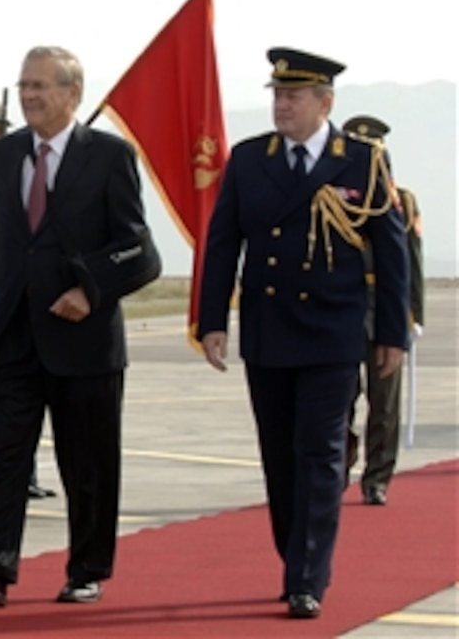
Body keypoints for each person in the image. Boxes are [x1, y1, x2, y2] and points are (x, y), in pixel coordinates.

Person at [198, 49, 409, 619]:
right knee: (280, 455)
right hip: (268, 332)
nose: (281, 105)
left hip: (333, 333)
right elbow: (222, 245)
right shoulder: (248, 160)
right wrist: (211, 320)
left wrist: (393, 332)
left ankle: (307, 574)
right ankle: (297, 555)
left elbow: (391, 254)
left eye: (293, 97)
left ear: (325, 103)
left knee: (319, 451)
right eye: (276, 95)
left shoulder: (361, 162)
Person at [0, 45, 160, 607]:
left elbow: (140, 252)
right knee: (4, 455)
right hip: (14, 332)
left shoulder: (109, 157)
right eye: (24, 85)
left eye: (41, 86)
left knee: (86, 462)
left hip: (83, 341)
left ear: (73, 93)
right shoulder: (4, 155)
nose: (29, 95)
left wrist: (89, 289)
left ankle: (86, 567)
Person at [341, 114, 423, 505]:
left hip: (385, 310)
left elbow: (412, 263)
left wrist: (413, 315)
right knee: (339, 398)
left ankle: (377, 477)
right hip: (343, 311)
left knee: (384, 403)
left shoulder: (401, 201)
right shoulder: (334, 197)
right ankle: (339, 464)